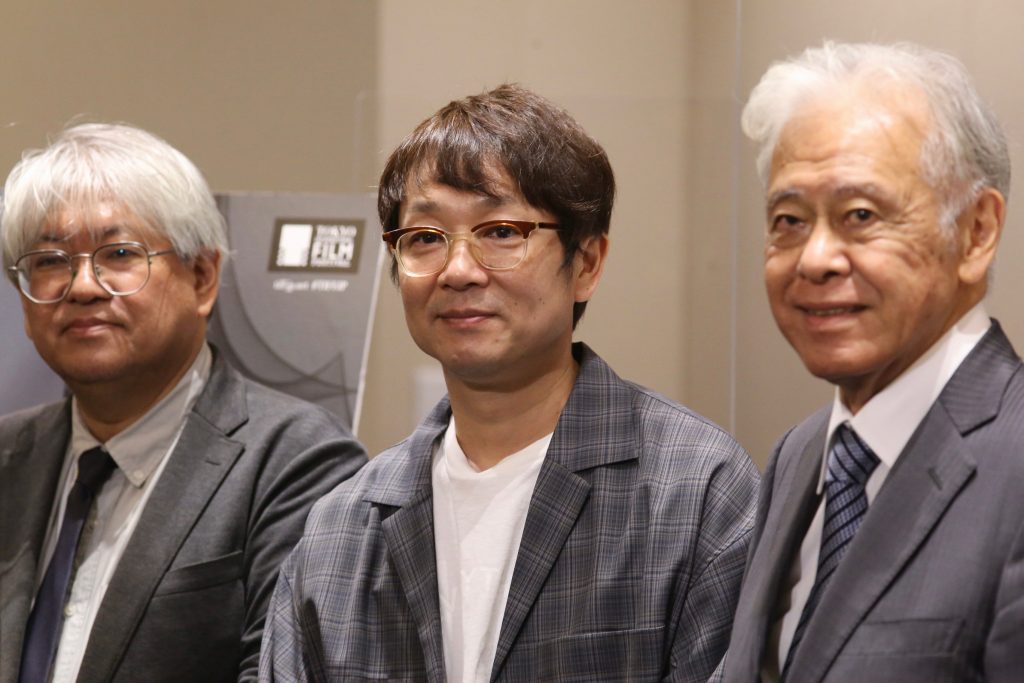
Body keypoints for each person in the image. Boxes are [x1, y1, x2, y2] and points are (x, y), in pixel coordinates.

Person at [259, 84, 759, 682]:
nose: (459, 270)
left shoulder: (697, 490)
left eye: (501, 231)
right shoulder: (342, 525)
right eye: (425, 238)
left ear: (587, 263)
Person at [0, 123, 367, 683]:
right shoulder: (7, 459)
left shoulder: (297, 461)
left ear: (202, 277)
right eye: (49, 261)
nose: (81, 286)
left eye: (118, 253)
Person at [721, 42, 1024, 682]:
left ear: (976, 232)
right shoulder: (799, 457)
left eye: (861, 215)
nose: (815, 259)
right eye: (789, 219)